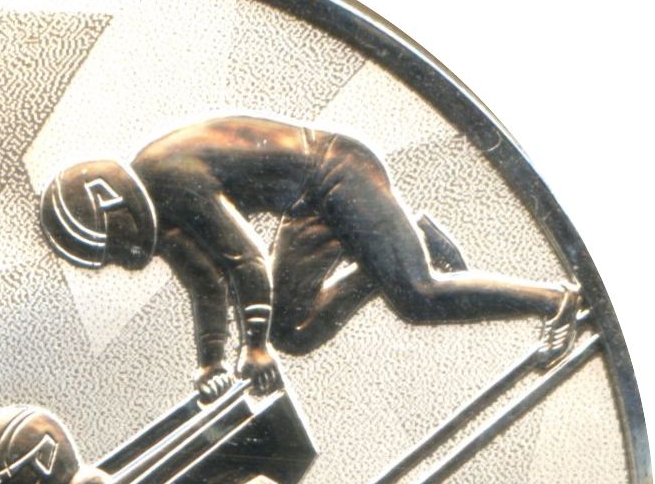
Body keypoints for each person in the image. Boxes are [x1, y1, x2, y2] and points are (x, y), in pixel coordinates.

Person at [40, 116, 584, 400]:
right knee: (293, 332)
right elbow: (205, 284)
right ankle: (403, 243)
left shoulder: (169, 175)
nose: (119, 260)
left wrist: (252, 348)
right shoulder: (163, 214)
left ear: (113, 206)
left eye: (109, 247)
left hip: (336, 172)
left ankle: (555, 299)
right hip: (307, 204)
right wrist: (210, 364)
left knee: (418, 295)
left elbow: (245, 260)